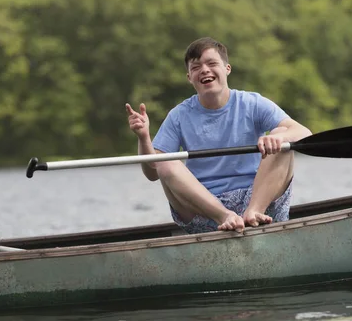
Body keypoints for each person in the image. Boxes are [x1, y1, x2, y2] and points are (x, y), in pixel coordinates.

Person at [126, 37, 312, 234]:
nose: (204, 70)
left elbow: (303, 133)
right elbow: (153, 172)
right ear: (189, 77)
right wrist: (143, 137)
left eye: (212, 63)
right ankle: (226, 216)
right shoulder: (179, 115)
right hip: (205, 209)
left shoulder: (252, 103)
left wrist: (279, 138)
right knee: (167, 161)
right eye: (196, 67)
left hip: (259, 201)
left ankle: (253, 212)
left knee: (282, 134)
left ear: (227, 69)